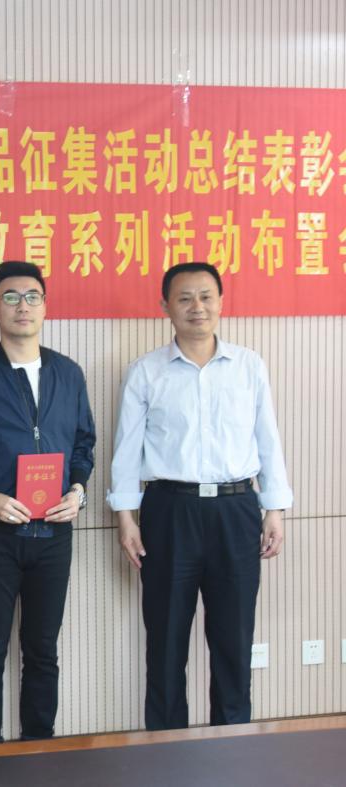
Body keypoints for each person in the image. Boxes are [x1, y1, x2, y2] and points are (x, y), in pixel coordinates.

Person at [108, 261, 292, 731]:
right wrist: (126, 517)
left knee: (234, 638)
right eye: (185, 298)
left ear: (221, 302)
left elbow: (267, 439)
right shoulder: (146, 371)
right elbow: (127, 448)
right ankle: (166, 745)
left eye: (206, 296)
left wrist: (274, 508)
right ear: (165, 306)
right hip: (170, 510)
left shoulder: (248, 365)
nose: (197, 307)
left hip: (236, 509)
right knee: (166, 638)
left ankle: (231, 742)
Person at [0, 261, 95, 742]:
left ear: (45, 306)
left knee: (43, 649)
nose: (23, 306)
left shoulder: (69, 374)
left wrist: (78, 492)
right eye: (11, 297)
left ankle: (41, 745)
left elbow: (83, 444)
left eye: (32, 296)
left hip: (54, 534)